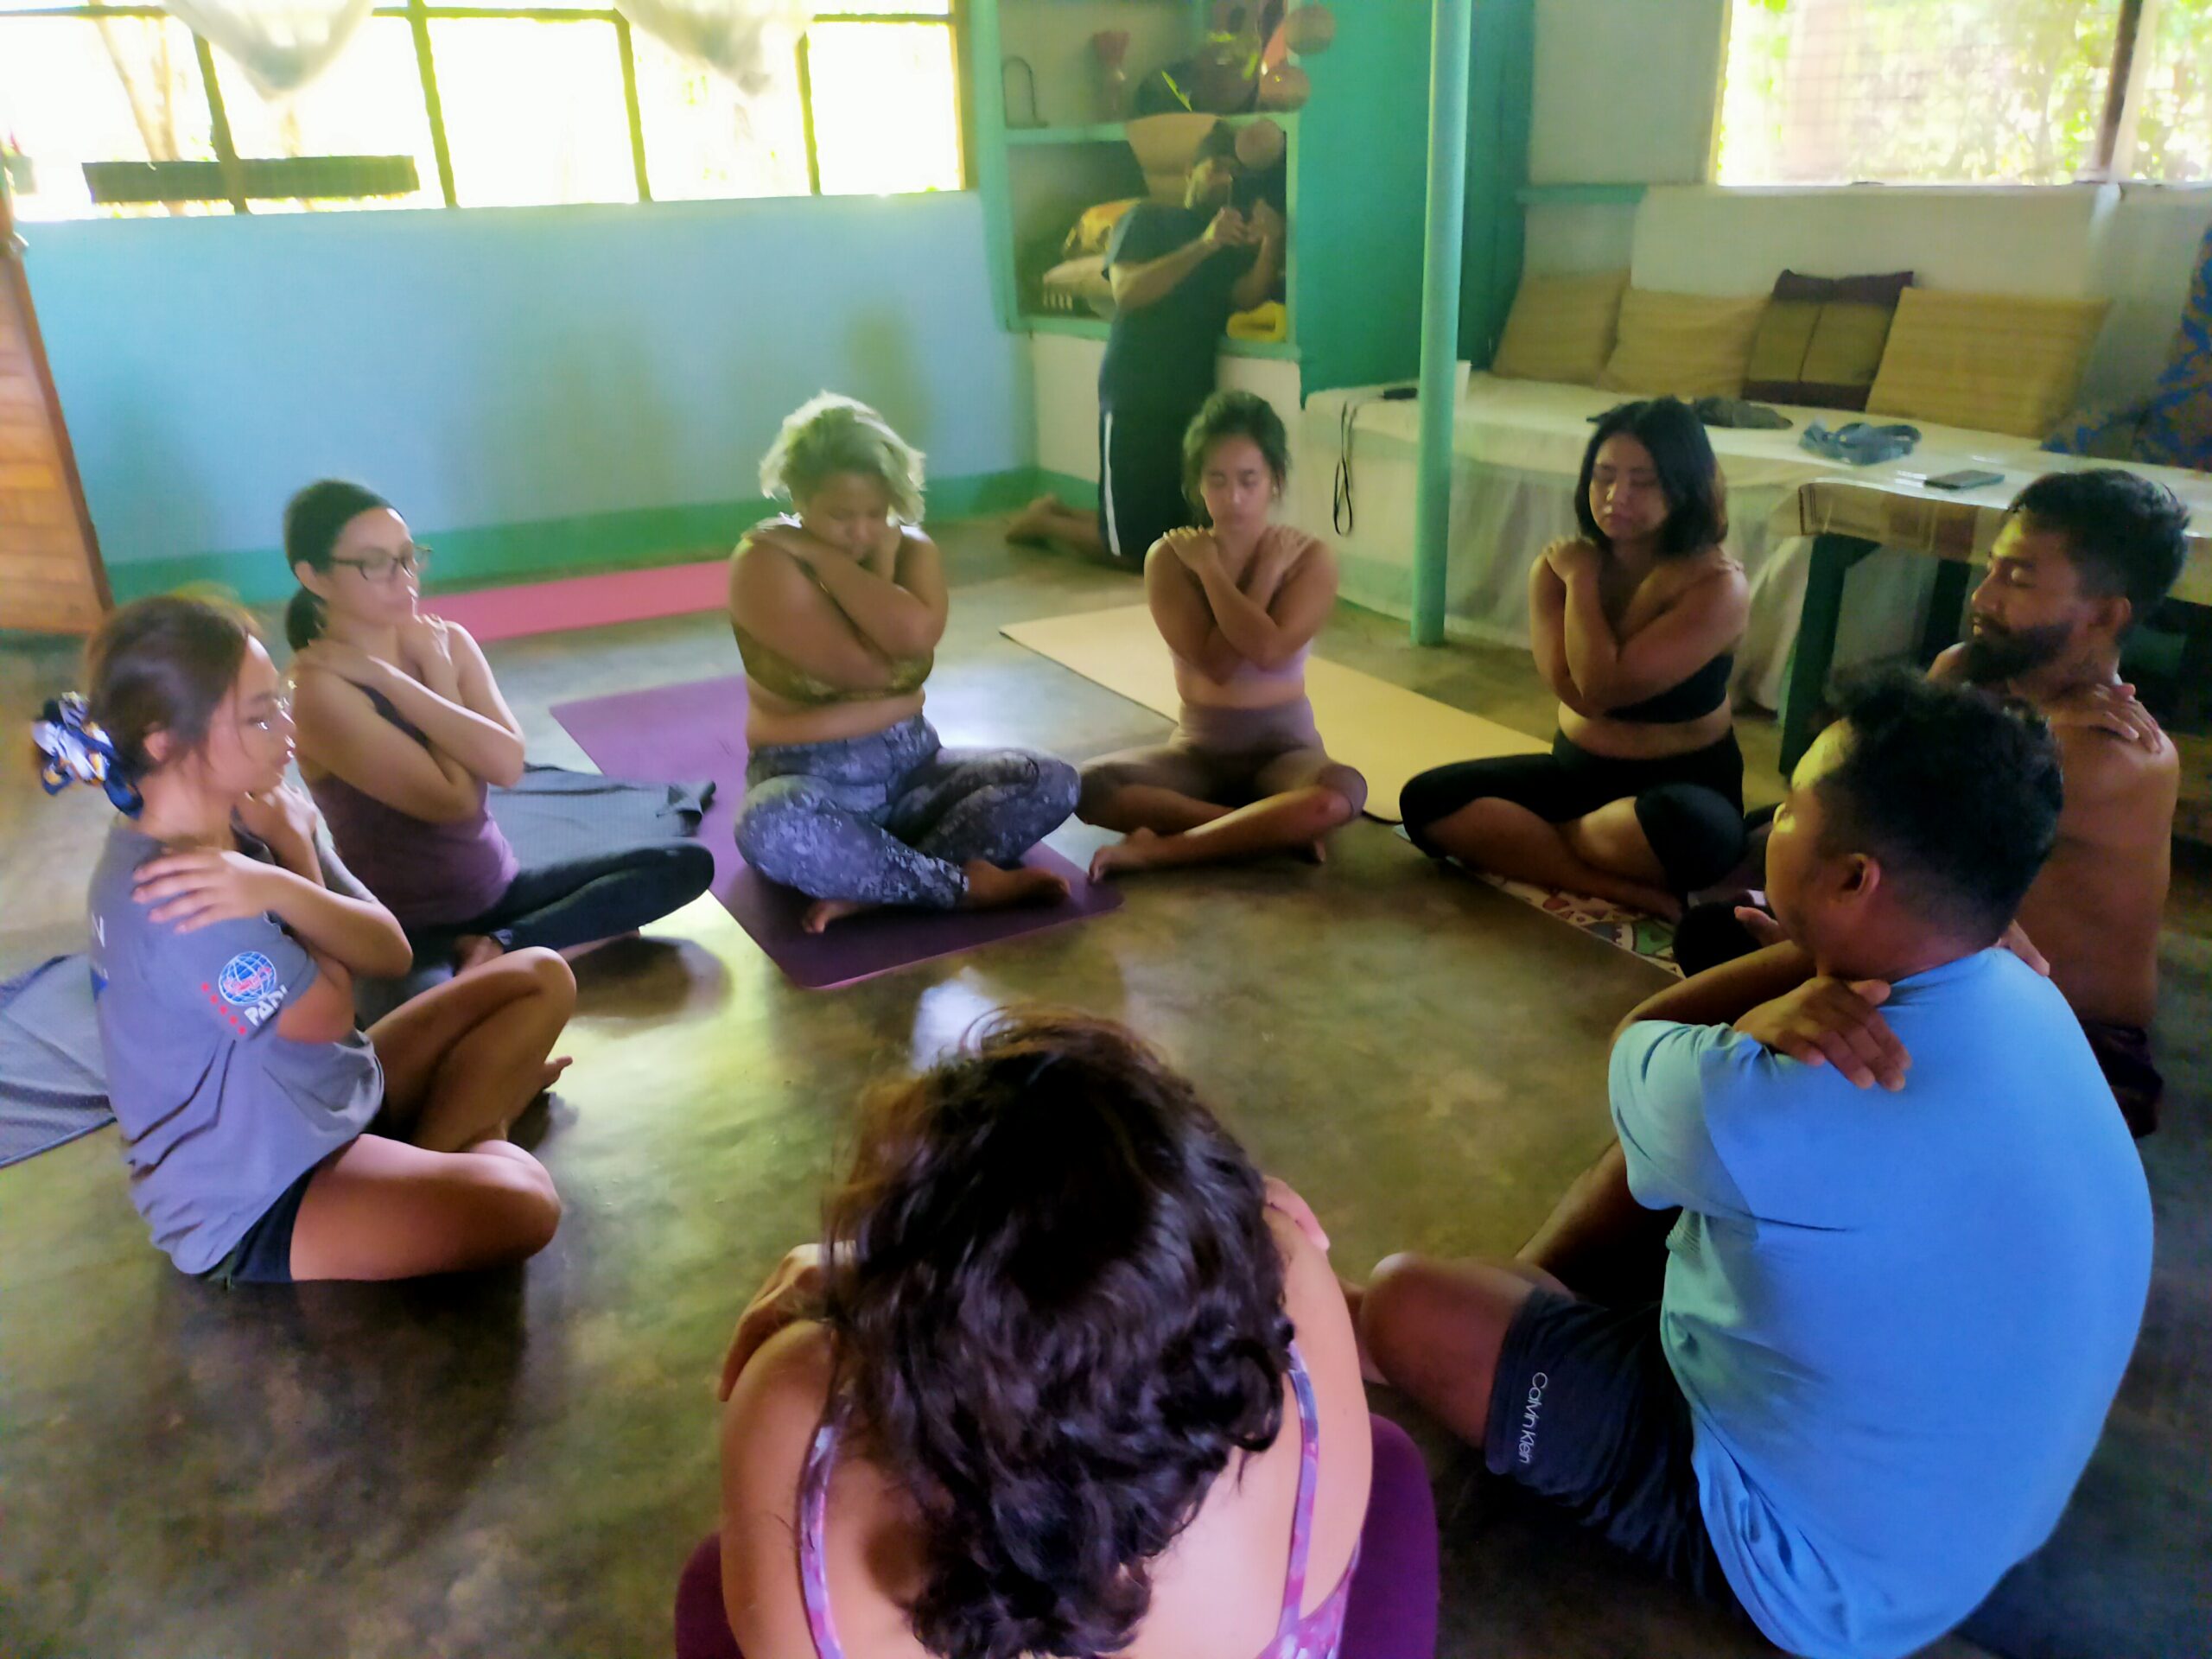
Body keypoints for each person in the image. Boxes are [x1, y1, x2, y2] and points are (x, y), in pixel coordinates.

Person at [1354, 673, 2152, 1659]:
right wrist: (1824, 964)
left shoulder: (1779, 1101)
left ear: (1857, 878)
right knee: (1699, 1155)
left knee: (1407, 1306)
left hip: (1808, 1571)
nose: (1767, 825)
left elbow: (1638, 1047)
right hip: (1970, 1526)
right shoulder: (2032, 997)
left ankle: (1526, 1333)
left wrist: (1790, 988)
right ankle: (1547, 1309)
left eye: (1792, 811)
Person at [675, 1011, 1438, 1659]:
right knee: (1390, 1455)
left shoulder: (791, 1400)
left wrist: (851, 1280)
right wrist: (1231, 1216)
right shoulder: (1293, 1280)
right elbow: (1266, 1230)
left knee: (714, 1578)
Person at [39, 594, 571, 1284]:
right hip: (261, 1191)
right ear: (163, 739)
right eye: (259, 716)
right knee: (527, 1205)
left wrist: (295, 854)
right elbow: (329, 1014)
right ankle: (471, 1137)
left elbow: (391, 950)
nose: (288, 728)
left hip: (327, 1096)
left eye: (280, 701)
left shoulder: (248, 822)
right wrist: (286, 878)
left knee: (541, 976)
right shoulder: (176, 892)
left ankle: (443, 1159)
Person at [1678, 468, 2189, 1135]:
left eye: (2020, 579)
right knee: (1733, 901)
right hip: (1948, 965)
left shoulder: (2112, 753)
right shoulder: (1978, 676)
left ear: (2105, 614)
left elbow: (1870, 799)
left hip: (2069, 1040)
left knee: (1739, 1009)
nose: (1985, 595)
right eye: (1992, 569)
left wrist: (1815, 947)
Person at [283, 480, 715, 991]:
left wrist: (408, 676)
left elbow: (507, 764)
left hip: (498, 884)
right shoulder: (320, 693)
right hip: (414, 923)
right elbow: (456, 801)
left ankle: (503, 948)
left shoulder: (446, 642)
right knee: (432, 1017)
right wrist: (411, 680)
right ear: (314, 576)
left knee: (683, 862)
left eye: (408, 556)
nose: (404, 579)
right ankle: (536, 947)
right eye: (375, 564)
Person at [729, 394, 1079, 934]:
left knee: (1051, 780)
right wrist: (828, 561)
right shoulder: (766, 562)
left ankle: (882, 888)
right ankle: (957, 886)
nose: (862, 532)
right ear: (800, 496)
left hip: (917, 769)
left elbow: (909, 637)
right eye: (840, 517)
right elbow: (870, 671)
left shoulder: (913, 551)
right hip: (811, 784)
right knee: (769, 826)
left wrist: (838, 558)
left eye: (876, 513)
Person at [1400, 398, 1751, 918]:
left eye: (1643, 481)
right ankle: (1617, 884)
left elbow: (1602, 690)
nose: (1616, 496)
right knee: (1425, 801)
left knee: (1684, 833)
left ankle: (1539, 838)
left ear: (1685, 486)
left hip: (1679, 791)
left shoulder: (1717, 585)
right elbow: (1576, 693)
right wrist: (1581, 575)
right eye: (1603, 476)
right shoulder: (1559, 568)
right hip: (1575, 776)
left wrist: (1581, 582)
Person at [1079, 391, 1368, 879]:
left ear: (1275, 481)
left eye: (1249, 480)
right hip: (1200, 752)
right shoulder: (1171, 558)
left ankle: (1167, 850)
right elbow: (1216, 663)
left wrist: (1249, 571)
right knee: (1085, 786)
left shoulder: (1307, 558)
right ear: (1198, 484)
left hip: (1287, 753)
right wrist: (1214, 570)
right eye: (1217, 480)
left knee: (1340, 796)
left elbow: (1269, 650)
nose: (1233, 497)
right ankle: (1263, 832)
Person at [1008, 127, 1285, 565]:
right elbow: (1128, 291)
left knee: (1172, 535)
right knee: (1133, 553)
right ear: (1188, 171)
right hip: (1137, 391)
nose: (1224, 180)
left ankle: (1055, 512)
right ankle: (1044, 524)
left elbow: (1245, 296)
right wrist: (1204, 244)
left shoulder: (1231, 238)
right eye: (1215, 168)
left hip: (1193, 397)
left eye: (1234, 173)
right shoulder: (1148, 219)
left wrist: (1272, 241)